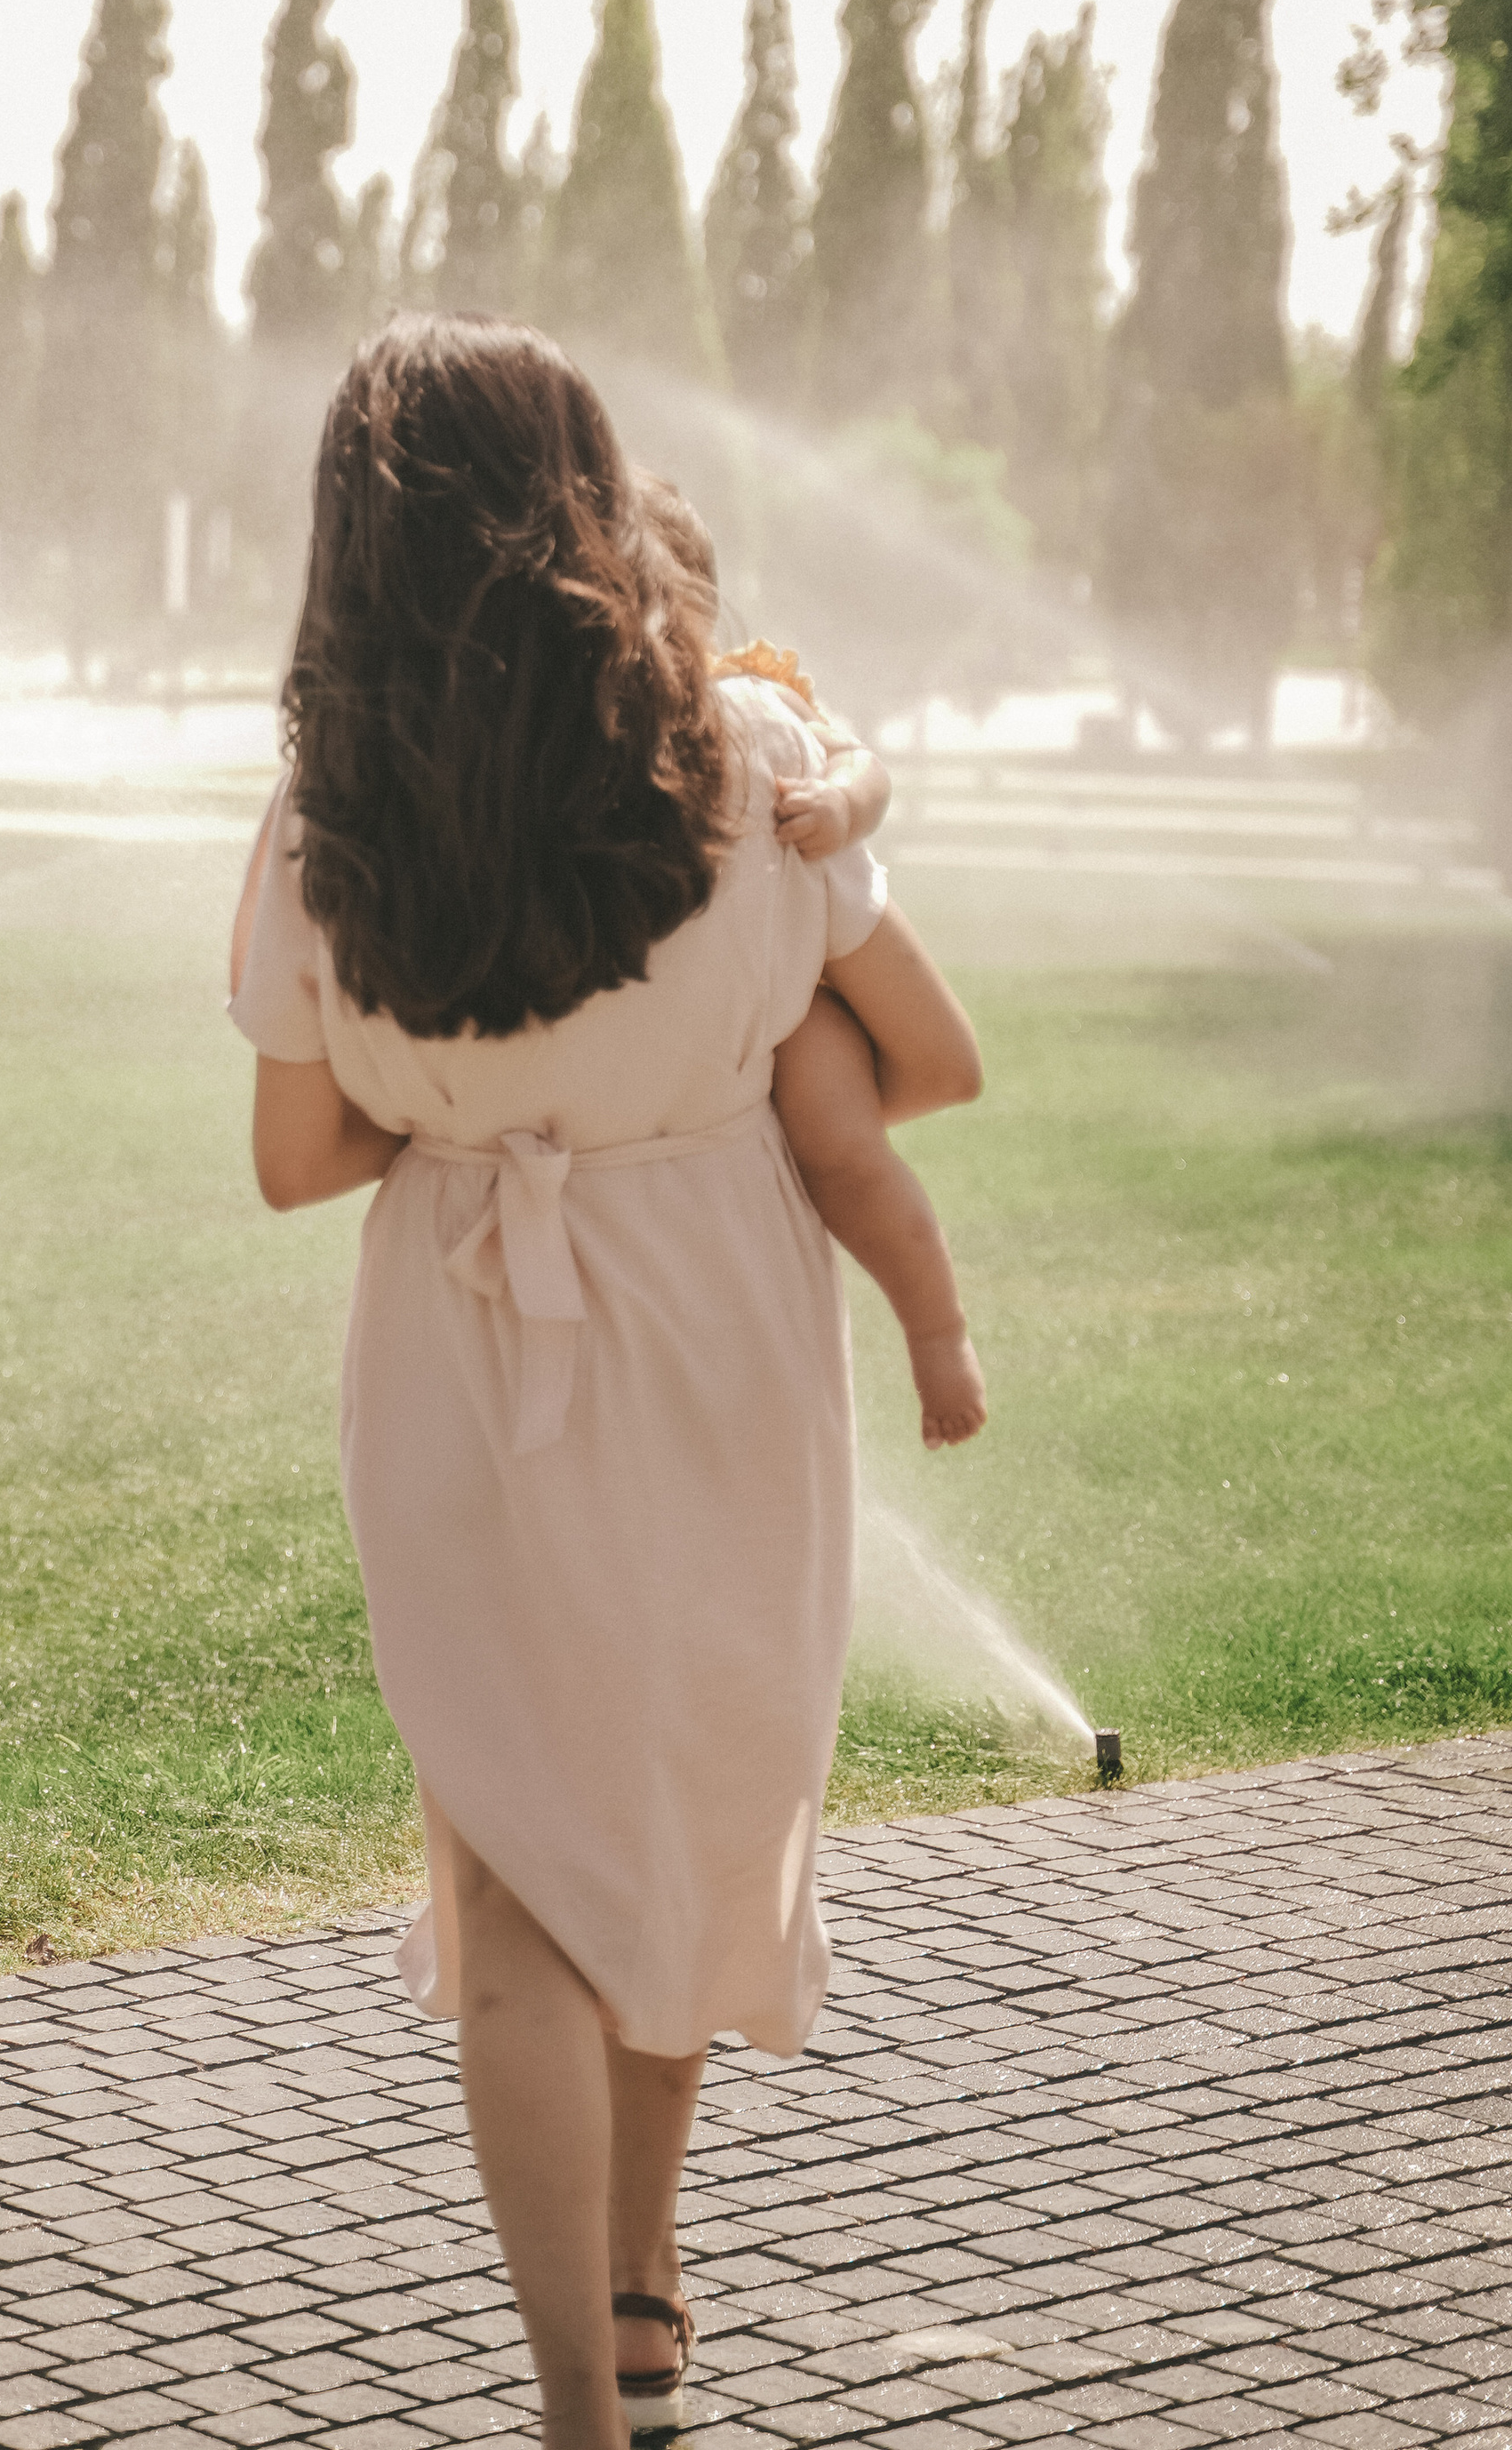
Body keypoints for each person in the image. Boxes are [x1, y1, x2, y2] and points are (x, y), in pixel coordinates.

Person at [228, 315, 985, 2449]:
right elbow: (928, 1059)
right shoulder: (752, 761)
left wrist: (465, 1096)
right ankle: (646, 2291)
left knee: (514, 1889)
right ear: (580, 487)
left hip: (462, 1349)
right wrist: (719, 1063)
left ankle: (582, 2391)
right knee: (674, 1811)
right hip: (717, 1328)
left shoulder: (326, 813)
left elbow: (296, 1160)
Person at [639, 474, 986, 1454]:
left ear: (701, 600)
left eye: (661, 596)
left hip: (810, 988)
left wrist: (839, 806)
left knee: (843, 1153)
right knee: (806, 1144)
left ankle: (936, 1331)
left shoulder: (755, 693)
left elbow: (865, 767)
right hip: (722, 1003)